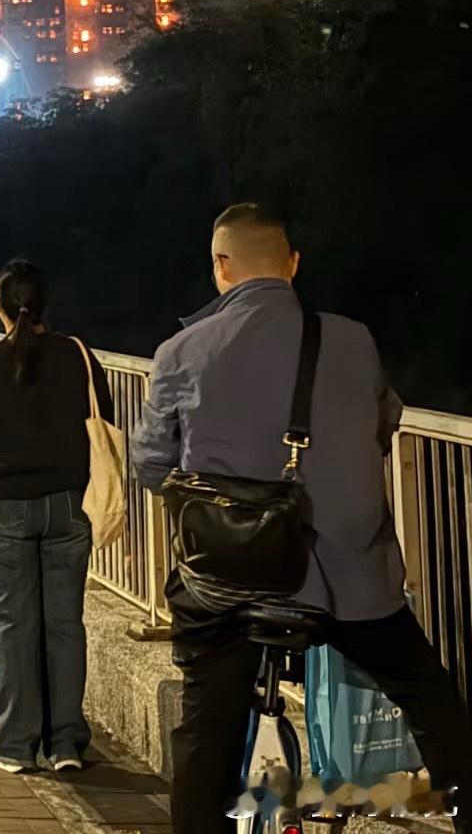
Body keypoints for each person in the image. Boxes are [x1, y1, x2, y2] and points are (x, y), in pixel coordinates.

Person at [132, 204, 472, 830]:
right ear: (292, 265)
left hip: (227, 583)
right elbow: (383, 421)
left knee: (207, 729)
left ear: (220, 268)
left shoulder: (181, 351)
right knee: (429, 697)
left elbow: (152, 467)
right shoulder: (351, 338)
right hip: (348, 577)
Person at [0, 258, 111, 775]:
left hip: (3, 509)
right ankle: (65, 743)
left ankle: (16, 744)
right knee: (64, 622)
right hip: (68, 505)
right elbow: (101, 421)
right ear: (45, 306)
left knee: (12, 624)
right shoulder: (78, 357)